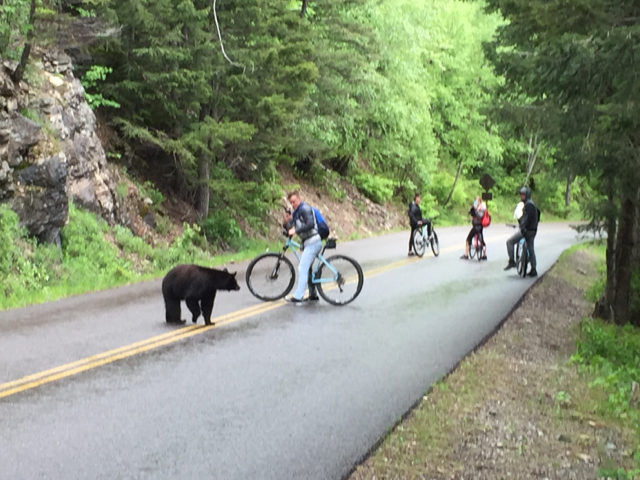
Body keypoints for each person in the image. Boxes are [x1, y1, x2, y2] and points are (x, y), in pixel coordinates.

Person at [284, 191, 322, 304]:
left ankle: (298, 296)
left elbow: (309, 224)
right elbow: (291, 227)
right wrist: (286, 221)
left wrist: (295, 230)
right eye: (291, 203)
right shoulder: (297, 212)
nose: (292, 204)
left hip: (313, 242)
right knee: (308, 268)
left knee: (302, 268)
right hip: (308, 242)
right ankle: (313, 294)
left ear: (299, 198)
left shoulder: (305, 208)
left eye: (294, 202)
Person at [505, 187, 539, 276]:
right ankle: (533, 269)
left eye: (523, 194)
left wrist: (524, 227)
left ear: (527, 195)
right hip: (531, 230)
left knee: (510, 242)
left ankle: (512, 261)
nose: (521, 196)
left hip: (528, 231)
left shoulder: (529, 205)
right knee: (530, 249)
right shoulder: (530, 204)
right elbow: (534, 215)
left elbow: (529, 218)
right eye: (521, 194)